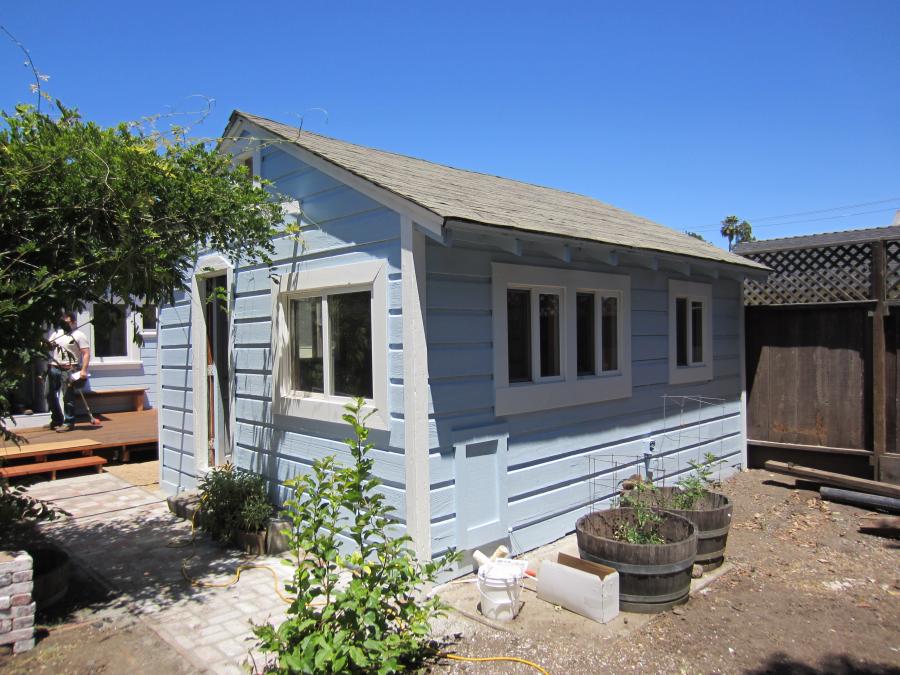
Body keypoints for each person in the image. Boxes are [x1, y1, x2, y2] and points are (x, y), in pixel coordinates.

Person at [46, 311, 91, 432]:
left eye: (67, 322)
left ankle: (69, 422)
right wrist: (45, 345)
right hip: (54, 367)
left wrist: (83, 370)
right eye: (63, 322)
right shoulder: (57, 333)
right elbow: (48, 346)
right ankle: (57, 419)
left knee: (67, 397)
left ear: (74, 322)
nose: (65, 325)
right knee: (48, 394)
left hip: (69, 369)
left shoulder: (79, 335)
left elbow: (86, 353)